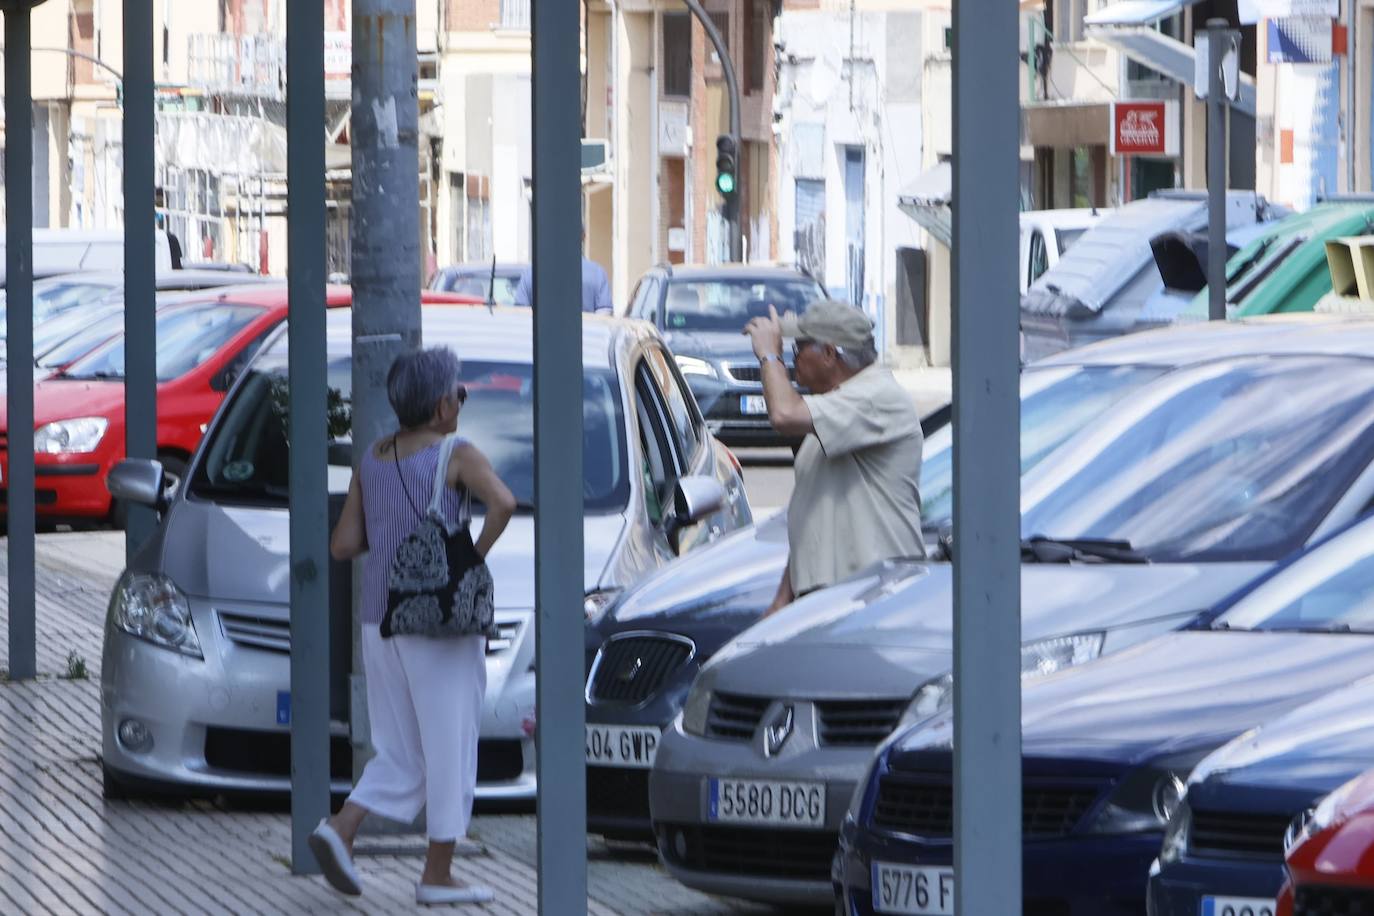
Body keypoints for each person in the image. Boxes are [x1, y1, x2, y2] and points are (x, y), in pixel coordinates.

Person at [312, 347, 516, 906]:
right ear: (443, 405)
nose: (462, 403)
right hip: (439, 626)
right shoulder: (457, 453)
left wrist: (395, 538)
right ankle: (437, 875)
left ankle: (341, 828)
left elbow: (344, 544)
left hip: (380, 620)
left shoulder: (373, 458)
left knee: (401, 749)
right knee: (450, 746)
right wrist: (467, 559)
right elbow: (503, 503)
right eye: (460, 394)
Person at [743, 300, 925, 615]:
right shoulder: (832, 407)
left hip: (874, 595)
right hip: (836, 596)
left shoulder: (876, 396)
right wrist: (783, 599)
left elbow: (784, 414)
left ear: (829, 354)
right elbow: (817, 513)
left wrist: (769, 355)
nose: (792, 358)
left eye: (798, 349)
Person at [512, 224, 613, 314]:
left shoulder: (531, 273)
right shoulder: (597, 274)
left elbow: (521, 314)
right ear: (583, 236)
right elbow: (604, 315)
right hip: (584, 335)